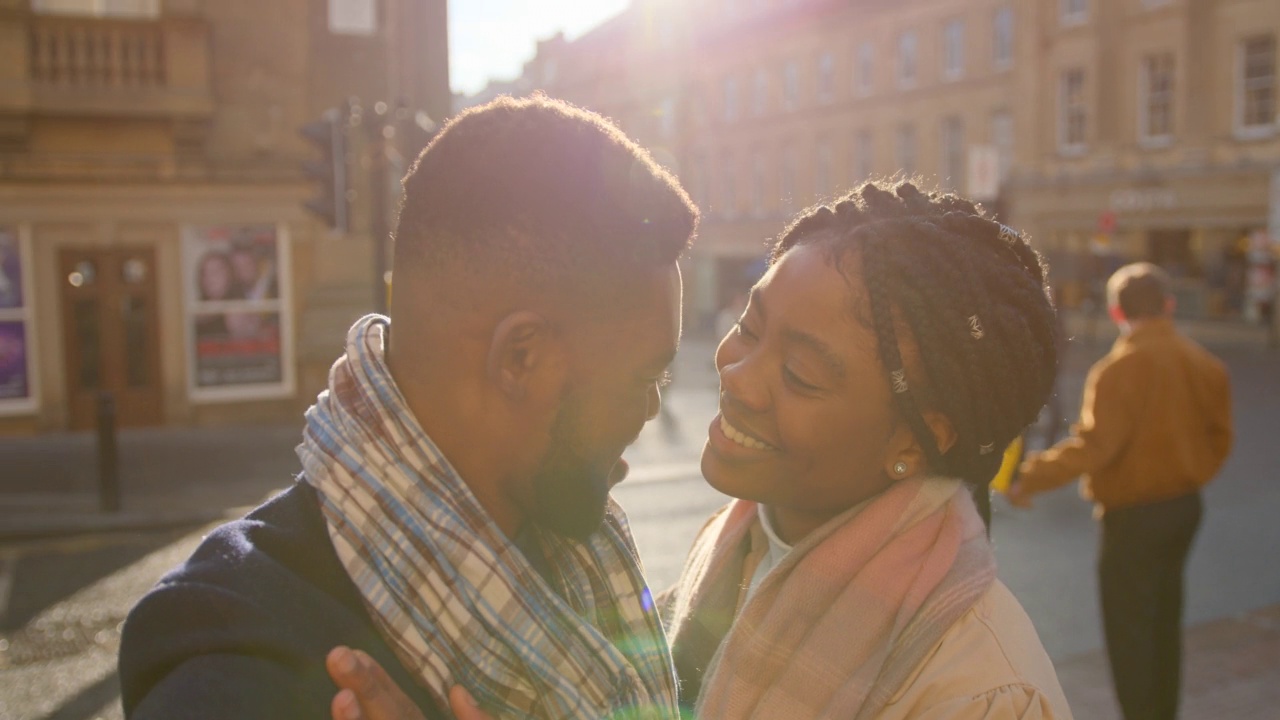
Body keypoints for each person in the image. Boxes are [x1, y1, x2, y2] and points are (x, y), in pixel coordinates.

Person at [330, 180, 1074, 719]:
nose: (737, 376)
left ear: (919, 438)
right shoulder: (741, 548)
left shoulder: (981, 695)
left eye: (802, 374)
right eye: (749, 327)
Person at [118, 95, 699, 720]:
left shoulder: (572, 549)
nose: (650, 410)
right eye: (643, 377)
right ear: (522, 359)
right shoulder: (234, 664)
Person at [1008, 262, 1233, 720]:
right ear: (1168, 305)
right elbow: (1220, 438)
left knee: (1129, 631)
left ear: (1116, 312)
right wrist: (1192, 472)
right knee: (1165, 620)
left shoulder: (1118, 370)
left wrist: (1029, 477)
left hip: (1132, 514)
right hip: (1185, 507)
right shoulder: (1205, 365)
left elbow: (1095, 447)